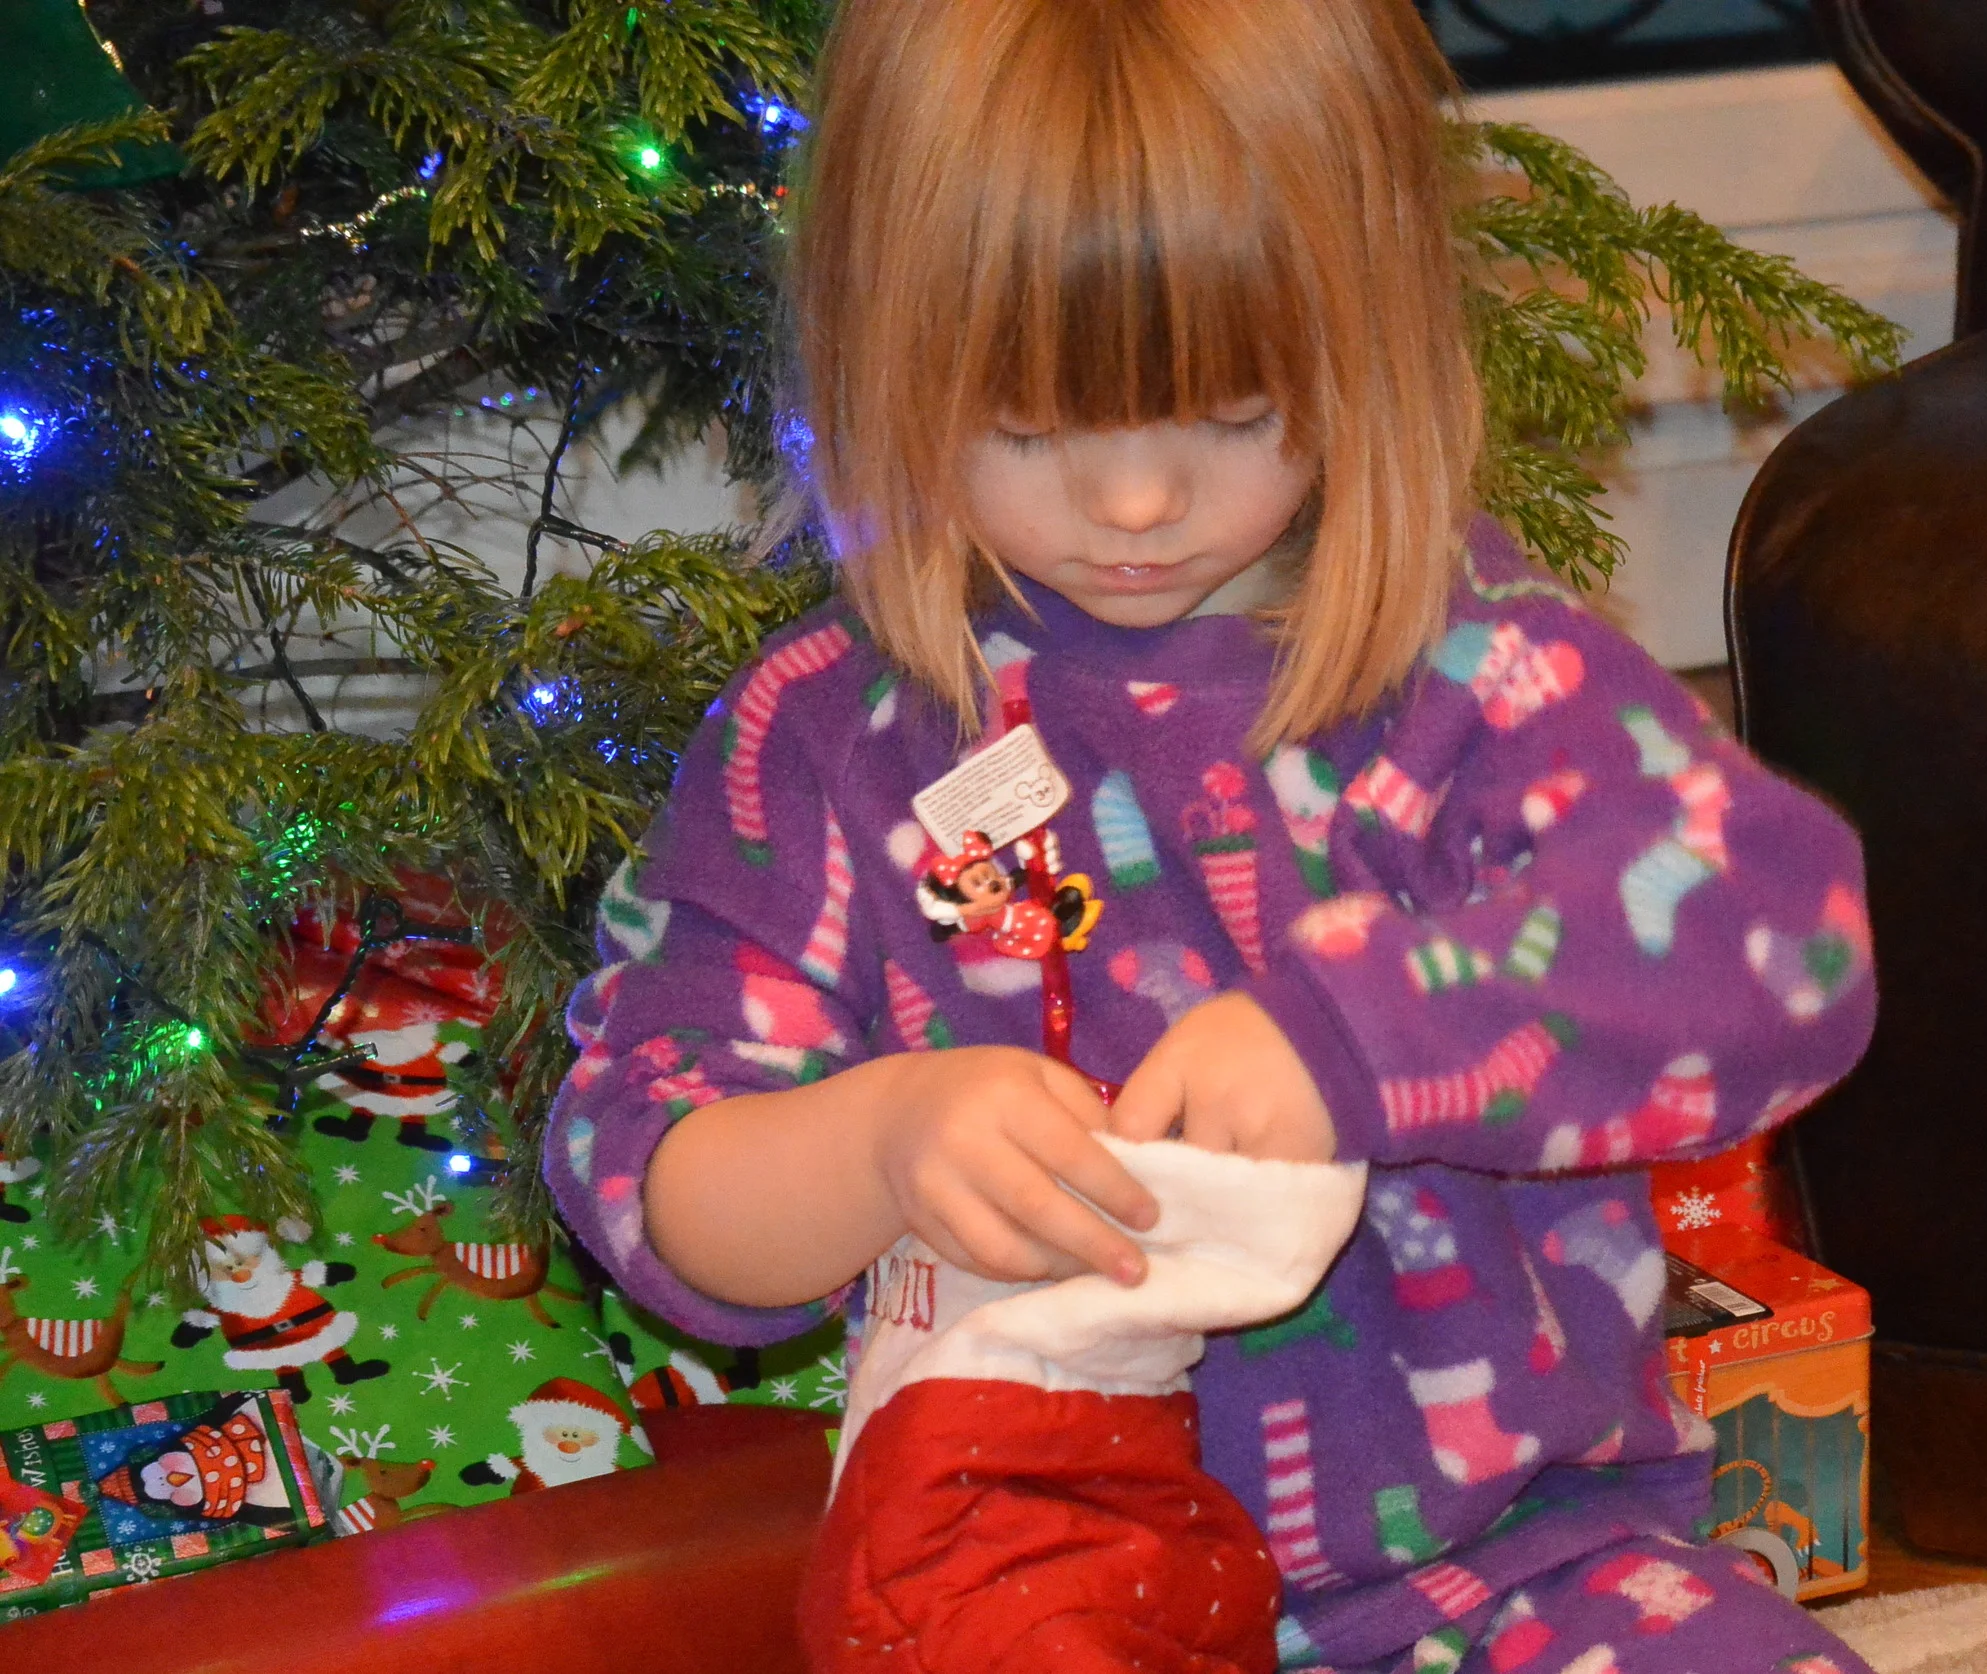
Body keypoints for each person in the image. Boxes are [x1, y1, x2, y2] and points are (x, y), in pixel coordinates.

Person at [546, 2, 1879, 1670]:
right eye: (1027, 426)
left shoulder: (1468, 665)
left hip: (1525, 1572)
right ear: (880, 358)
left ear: (1364, 349)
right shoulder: (828, 740)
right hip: (1037, 1585)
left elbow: (1782, 944)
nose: (1132, 506)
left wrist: (1355, 1038)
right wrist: (881, 1140)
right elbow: (644, 1171)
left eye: (1233, 410)